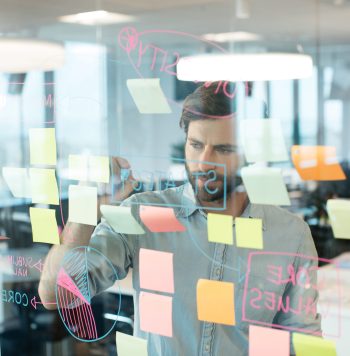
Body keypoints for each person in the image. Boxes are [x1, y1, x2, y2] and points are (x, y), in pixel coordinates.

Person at [39, 82, 321, 355]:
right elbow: (56, 294)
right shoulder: (144, 216)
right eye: (196, 145)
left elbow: (301, 340)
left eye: (224, 149)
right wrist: (87, 204)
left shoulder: (290, 235)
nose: (203, 163)